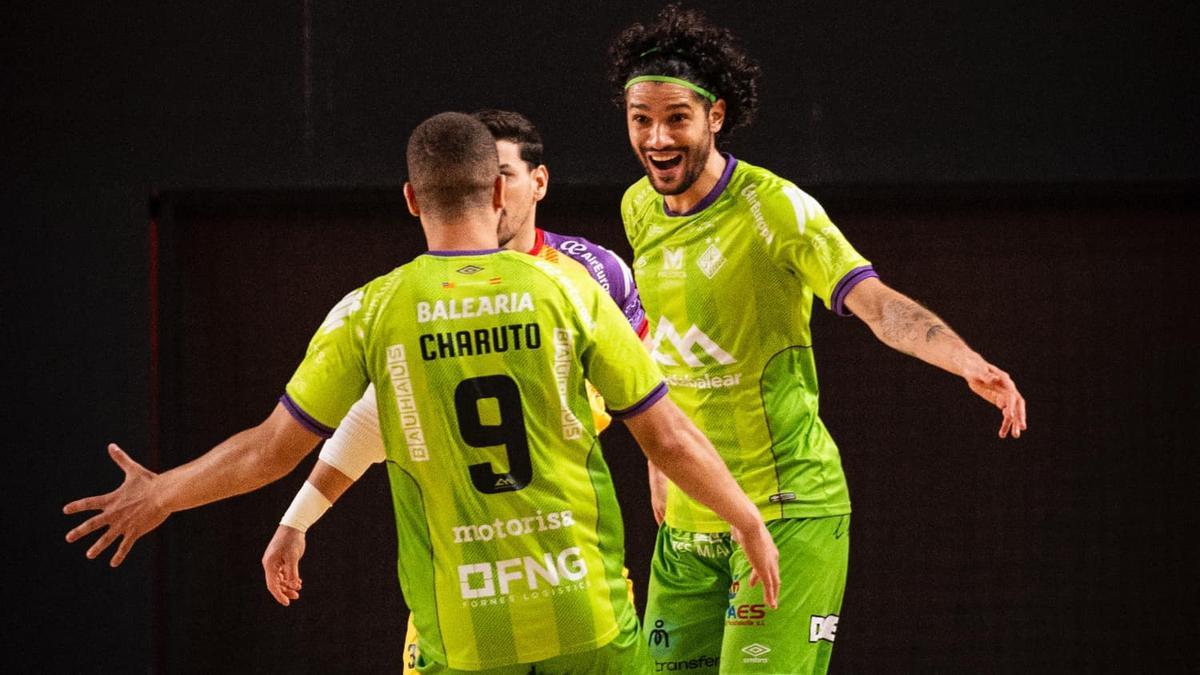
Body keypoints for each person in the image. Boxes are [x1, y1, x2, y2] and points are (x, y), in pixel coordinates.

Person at [65, 111, 780, 673]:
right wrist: (745, 519)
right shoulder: (571, 290)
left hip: (466, 627)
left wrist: (162, 493)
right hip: (585, 613)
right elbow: (668, 434)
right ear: (498, 191)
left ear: (410, 198)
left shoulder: (374, 310)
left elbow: (269, 449)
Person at [607, 5, 1028, 673]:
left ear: (715, 116)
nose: (657, 137)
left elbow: (874, 303)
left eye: (676, 119)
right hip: (689, 523)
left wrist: (963, 358)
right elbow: (660, 335)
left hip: (787, 510)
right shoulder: (638, 207)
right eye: (641, 120)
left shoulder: (775, 209)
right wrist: (660, 459)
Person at [261, 108, 650, 673]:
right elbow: (376, 415)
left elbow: (658, 404)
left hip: (554, 560)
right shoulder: (426, 296)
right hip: (483, 568)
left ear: (531, 183)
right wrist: (298, 517)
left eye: (501, 172)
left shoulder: (591, 276)